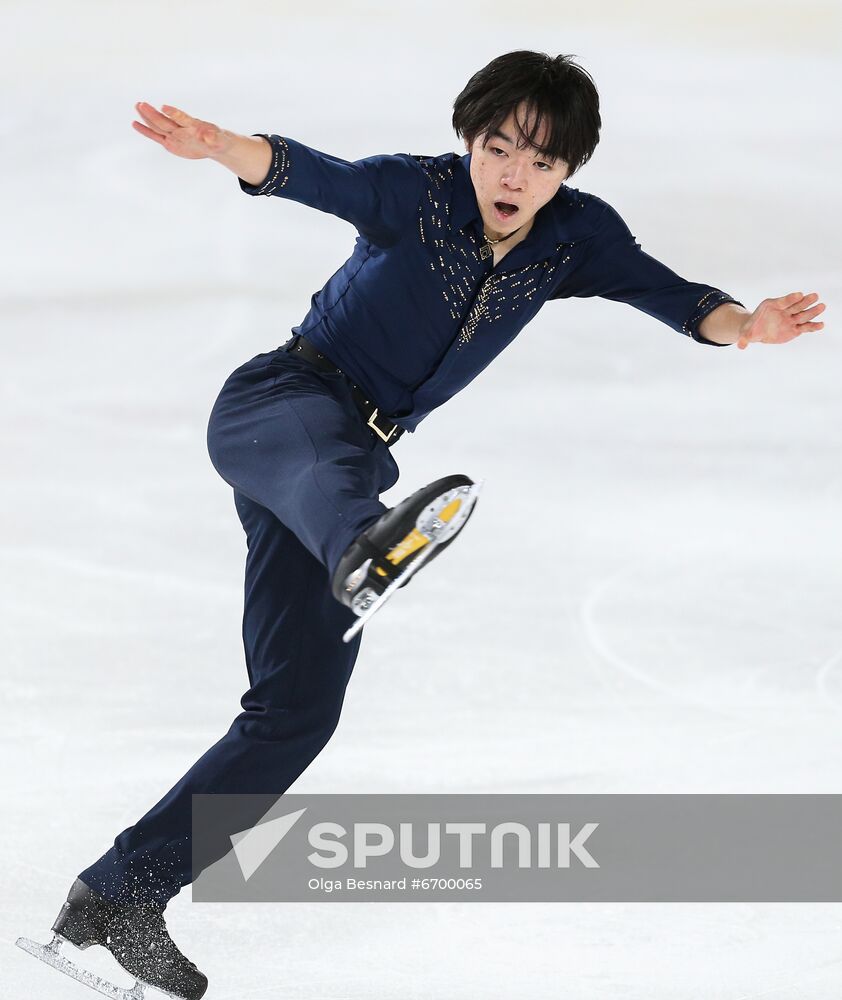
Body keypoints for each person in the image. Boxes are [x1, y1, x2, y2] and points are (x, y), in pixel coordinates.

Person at [37, 50, 826, 1000]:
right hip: (280, 405)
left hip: (359, 462)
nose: (513, 175)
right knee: (336, 481)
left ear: (569, 168)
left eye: (538, 161)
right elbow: (312, 174)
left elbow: (676, 298)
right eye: (497, 148)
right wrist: (222, 149)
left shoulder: (574, 239)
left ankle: (121, 895)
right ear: (470, 143)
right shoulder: (416, 193)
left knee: (296, 714)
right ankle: (370, 548)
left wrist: (748, 328)